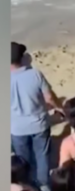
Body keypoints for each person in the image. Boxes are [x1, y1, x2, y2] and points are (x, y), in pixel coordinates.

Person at [11, 41, 63, 191]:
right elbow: (49, 99)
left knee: (23, 159)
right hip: (39, 124)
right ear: (21, 58)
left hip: (17, 128)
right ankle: (44, 185)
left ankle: (26, 185)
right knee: (42, 156)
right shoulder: (35, 74)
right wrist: (59, 108)